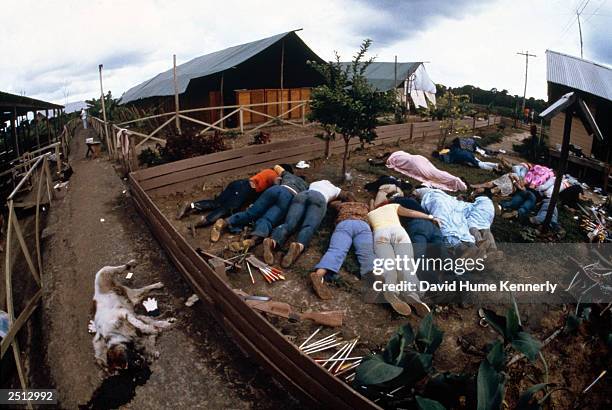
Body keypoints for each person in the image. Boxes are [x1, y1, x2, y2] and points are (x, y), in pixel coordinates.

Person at [211, 166, 307, 249]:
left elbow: (276, 167)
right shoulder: (306, 186)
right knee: (267, 220)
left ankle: (225, 222)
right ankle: (252, 240)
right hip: (288, 197)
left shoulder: (288, 175)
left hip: (276, 189)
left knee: (251, 212)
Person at [368, 203, 435, 316]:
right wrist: (430, 217)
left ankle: (391, 290)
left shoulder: (370, 214)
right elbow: (411, 213)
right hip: (397, 231)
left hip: (379, 233)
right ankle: (412, 293)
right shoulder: (392, 206)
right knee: (406, 262)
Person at [263, 180, 342, 268]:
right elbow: (347, 196)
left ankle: (272, 241)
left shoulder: (314, 183)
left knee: (289, 224)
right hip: (319, 198)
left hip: (302, 195)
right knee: (308, 226)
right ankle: (298, 246)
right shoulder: (335, 189)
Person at [175, 166, 288, 227]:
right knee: (227, 208)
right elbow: (276, 183)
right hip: (245, 188)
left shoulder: (266, 171)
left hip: (239, 183)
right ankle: (205, 220)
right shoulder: (274, 175)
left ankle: (191, 205)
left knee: (217, 202)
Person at [309, 195, 374, 300]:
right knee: (367, 254)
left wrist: (340, 200)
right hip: (363, 225)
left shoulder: (341, 205)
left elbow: (331, 203)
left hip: (344, 224)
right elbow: (373, 209)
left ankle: (319, 274)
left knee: (336, 251)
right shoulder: (364, 206)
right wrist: (371, 201)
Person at [465, 195, 502, 260]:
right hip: (477, 216)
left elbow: (498, 212)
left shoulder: (486, 199)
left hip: (483, 217)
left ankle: (491, 249)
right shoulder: (472, 202)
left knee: (483, 231)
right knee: (479, 230)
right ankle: (488, 248)